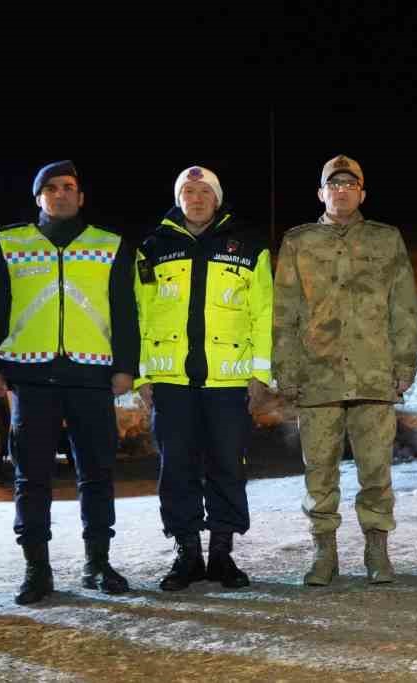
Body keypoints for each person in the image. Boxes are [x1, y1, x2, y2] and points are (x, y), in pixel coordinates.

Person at [0, 160, 138, 602]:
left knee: (97, 475)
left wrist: (126, 365)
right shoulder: (11, 244)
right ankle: (36, 570)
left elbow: (125, 308)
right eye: (51, 188)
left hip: (91, 377)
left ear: (81, 196)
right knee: (31, 478)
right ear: (38, 198)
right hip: (31, 379)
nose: (61, 193)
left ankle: (98, 563)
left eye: (69, 187)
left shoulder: (108, 244)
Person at [275, 155, 417, 586]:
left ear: (361, 193)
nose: (341, 191)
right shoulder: (298, 242)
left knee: (376, 470)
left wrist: (405, 363)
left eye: (349, 185)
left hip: (373, 373)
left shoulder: (385, 239)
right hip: (318, 376)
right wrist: (286, 369)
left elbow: (403, 308)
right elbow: (285, 311)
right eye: (332, 185)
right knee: (319, 471)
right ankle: (325, 552)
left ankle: (377, 549)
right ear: (321, 193)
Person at [135, 166, 271, 590]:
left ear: (216, 198)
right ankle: (187, 554)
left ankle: (222, 555)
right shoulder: (152, 247)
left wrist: (260, 373)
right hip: (171, 381)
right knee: (176, 468)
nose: (196, 199)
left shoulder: (249, 246)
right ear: (179, 198)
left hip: (228, 382)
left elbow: (264, 314)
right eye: (188, 192)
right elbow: (139, 314)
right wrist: (142, 374)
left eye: (204, 192)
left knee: (227, 467)